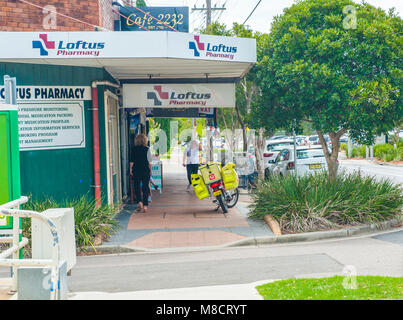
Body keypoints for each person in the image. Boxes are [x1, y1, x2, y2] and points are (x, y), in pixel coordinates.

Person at [130, 134, 152, 213]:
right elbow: (150, 162)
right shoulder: (147, 149)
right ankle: (145, 205)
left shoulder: (133, 149)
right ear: (145, 140)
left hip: (136, 170)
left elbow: (132, 162)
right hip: (145, 170)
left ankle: (139, 202)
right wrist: (151, 171)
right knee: (145, 187)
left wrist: (130, 170)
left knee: (136, 186)